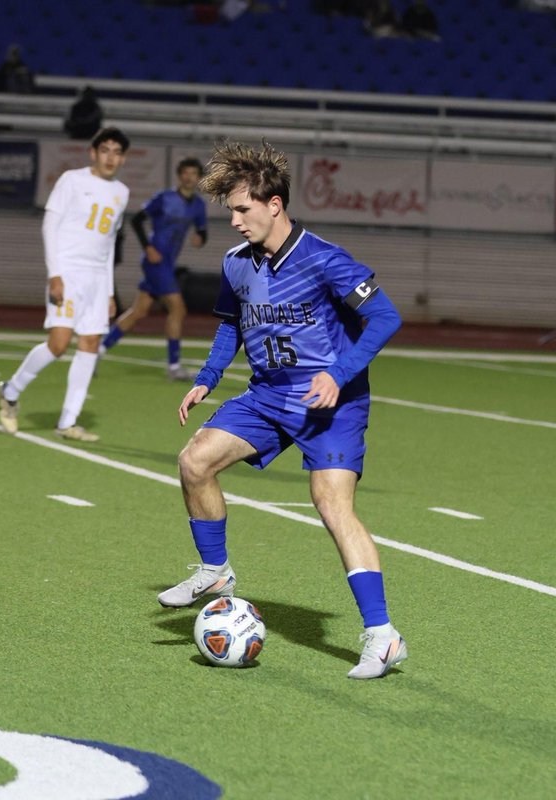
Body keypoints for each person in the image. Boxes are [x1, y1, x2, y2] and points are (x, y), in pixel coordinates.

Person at [157, 139, 408, 680]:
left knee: (332, 506)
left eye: (243, 209)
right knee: (194, 461)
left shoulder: (325, 259)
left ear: (275, 205)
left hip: (330, 404)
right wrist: (206, 378)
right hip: (269, 394)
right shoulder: (236, 264)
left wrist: (338, 374)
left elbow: (386, 317)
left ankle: (382, 637)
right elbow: (231, 323)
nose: (235, 221)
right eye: (231, 211)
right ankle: (215, 573)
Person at [0, 128, 131, 442]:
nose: (110, 157)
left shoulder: (121, 193)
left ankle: (67, 422)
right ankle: (10, 390)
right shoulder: (72, 180)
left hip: (97, 280)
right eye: (105, 150)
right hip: (69, 273)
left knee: (90, 346)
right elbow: (50, 224)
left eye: (116, 152)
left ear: (123, 158)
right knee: (58, 345)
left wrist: (109, 290)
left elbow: (109, 242)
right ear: (93, 153)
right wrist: (54, 274)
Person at [101, 158, 209, 380]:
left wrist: (201, 238)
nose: (189, 177)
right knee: (178, 309)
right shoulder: (164, 198)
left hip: (168, 263)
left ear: (199, 178)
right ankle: (174, 366)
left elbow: (202, 230)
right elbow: (137, 221)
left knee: (138, 311)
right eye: (186, 173)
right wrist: (148, 248)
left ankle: (97, 351)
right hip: (155, 262)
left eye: (194, 174)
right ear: (180, 175)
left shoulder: (198, 205)